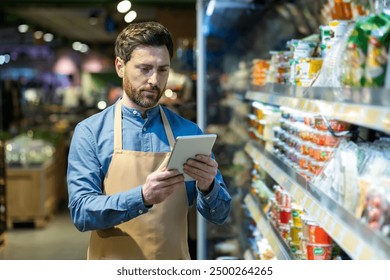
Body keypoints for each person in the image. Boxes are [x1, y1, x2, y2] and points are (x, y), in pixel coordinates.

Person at [67, 21, 231, 260]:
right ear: (120, 66)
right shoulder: (91, 132)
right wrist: (142, 197)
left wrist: (208, 187)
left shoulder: (189, 132)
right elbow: (81, 213)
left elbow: (221, 214)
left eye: (163, 70)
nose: (155, 80)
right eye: (145, 68)